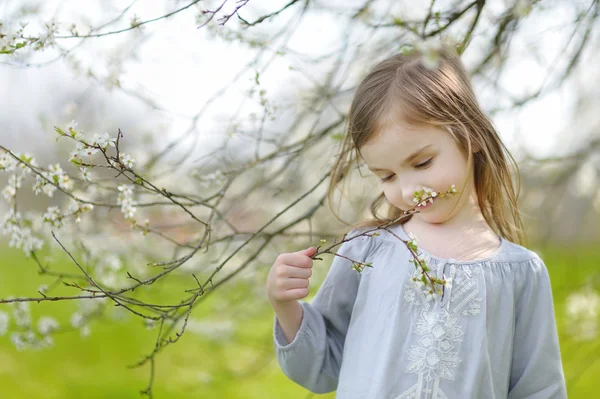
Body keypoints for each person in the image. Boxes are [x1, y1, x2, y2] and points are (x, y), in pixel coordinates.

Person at [266, 45, 567, 398]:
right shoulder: (368, 250)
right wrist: (284, 304)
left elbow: (538, 389)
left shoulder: (520, 273)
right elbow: (325, 365)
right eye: (387, 176)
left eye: (422, 163)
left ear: (471, 136)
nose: (408, 190)